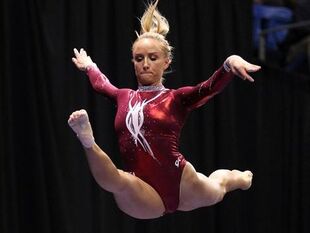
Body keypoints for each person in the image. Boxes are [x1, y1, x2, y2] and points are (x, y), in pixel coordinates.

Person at [68, 0, 261, 219]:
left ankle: (241, 178)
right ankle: (87, 140)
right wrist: (90, 67)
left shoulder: (176, 98)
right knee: (118, 181)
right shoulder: (124, 96)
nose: (146, 64)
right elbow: (102, 84)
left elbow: (207, 88)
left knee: (219, 185)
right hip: (142, 192)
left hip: (182, 183)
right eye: (139, 58)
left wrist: (229, 63)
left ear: (166, 62)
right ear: (133, 62)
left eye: (153, 57)